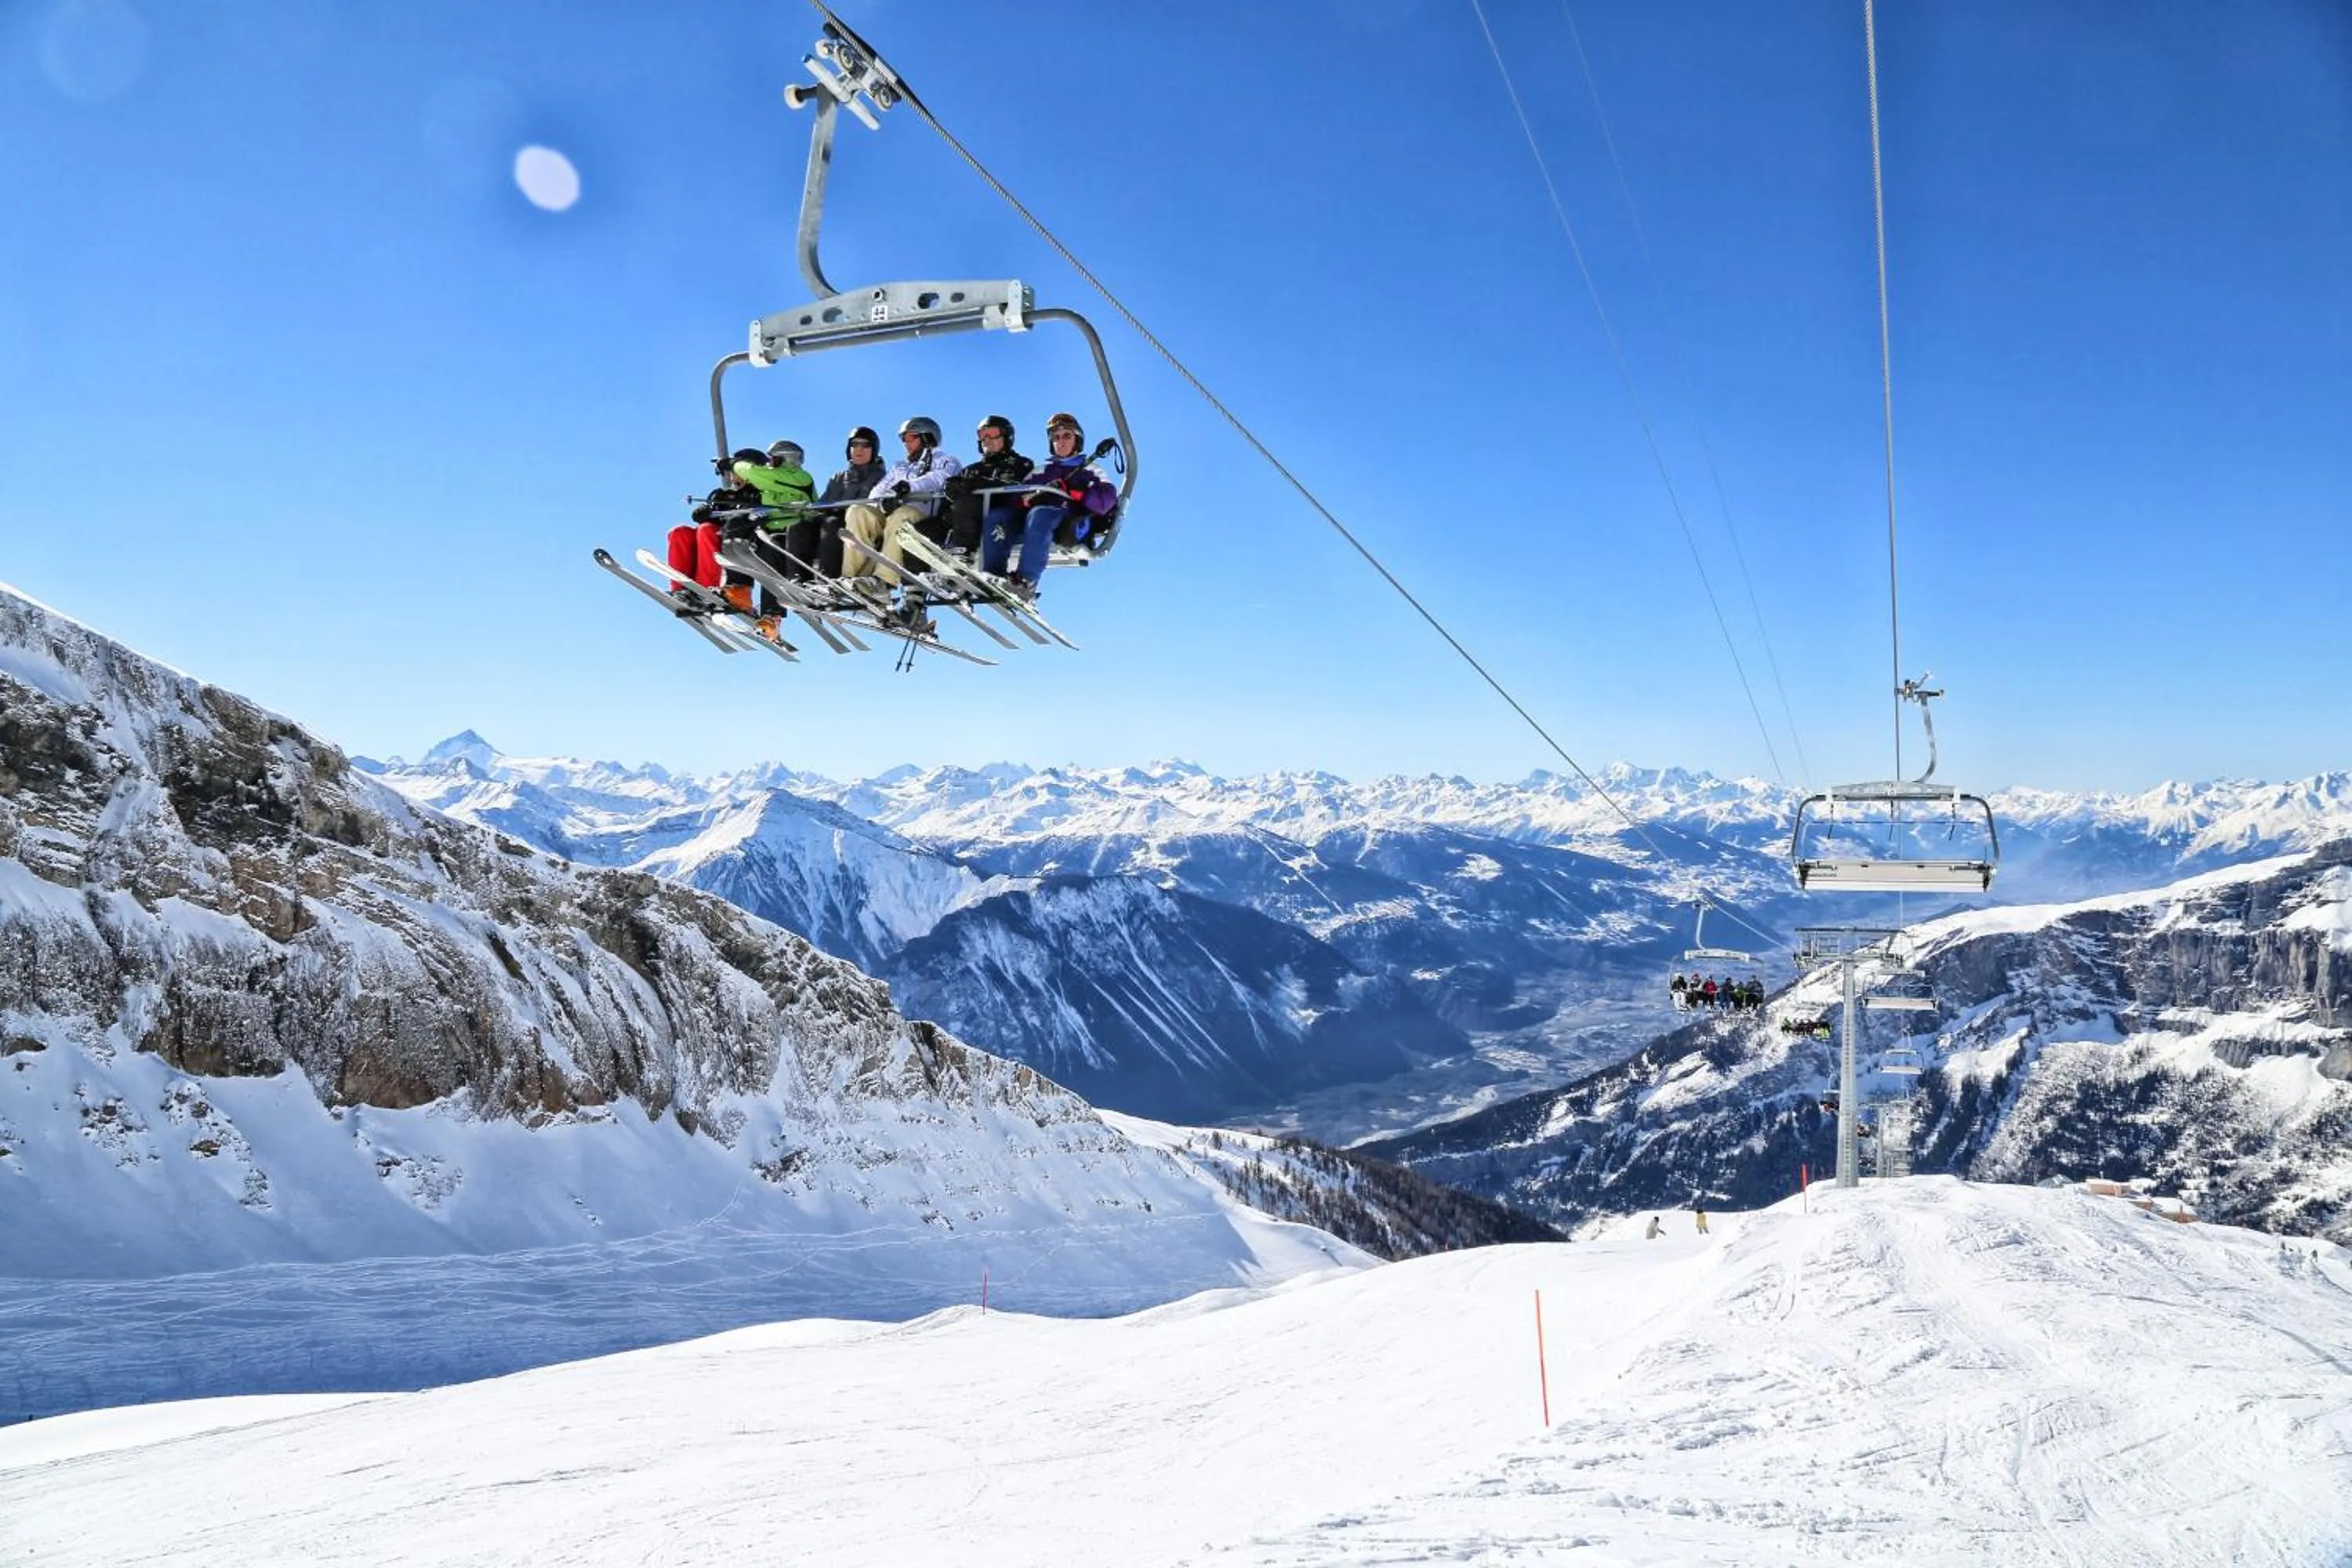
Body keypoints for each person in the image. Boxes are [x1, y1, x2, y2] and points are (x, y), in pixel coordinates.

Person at [977, 411, 1116, 603]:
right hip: (1034, 522)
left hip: (1070, 522)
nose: (1061, 441)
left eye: (1066, 436)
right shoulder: (1040, 472)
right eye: (1056, 437)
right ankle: (994, 574)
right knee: (998, 516)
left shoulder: (1091, 470)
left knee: (1040, 514)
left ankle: (1026, 581)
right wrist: (1026, 500)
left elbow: (1105, 501)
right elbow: (1016, 498)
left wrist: (1073, 492)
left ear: (1077, 440)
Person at [842, 417, 963, 624]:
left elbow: (938, 479)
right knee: (858, 512)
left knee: (900, 516)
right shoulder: (900, 466)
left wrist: (908, 488)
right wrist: (884, 501)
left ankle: (884, 582)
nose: (906, 442)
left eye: (911, 437)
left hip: (922, 514)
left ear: (927, 438)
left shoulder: (946, 461)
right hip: (893, 513)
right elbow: (878, 491)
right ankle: (852, 580)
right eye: (904, 438)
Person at [725, 441, 818, 641]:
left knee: (771, 550)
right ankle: (739, 588)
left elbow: (756, 474)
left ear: (786, 459)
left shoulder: (799, 477)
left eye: (773, 459)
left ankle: (772, 615)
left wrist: (735, 464)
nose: (769, 463)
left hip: (797, 537)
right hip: (771, 534)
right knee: (739, 535)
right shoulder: (770, 485)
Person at [669, 448, 768, 611]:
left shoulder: (761, 495)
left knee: (706, 530)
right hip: (713, 537)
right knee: (679, 533)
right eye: (733, 473)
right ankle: (680, 588)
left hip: (738, 541)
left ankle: (705, 588)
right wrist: (704, 513)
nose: (735, 477)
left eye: (738, 472)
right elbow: (711, 517)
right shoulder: (724, 496)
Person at [793, 426, 885, 582]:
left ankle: (827, 579)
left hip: (855, 526)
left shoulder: (880, 478)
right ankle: (798, 579)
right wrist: (807, 511)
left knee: (832, 523)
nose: (859, 449)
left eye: (865, 445)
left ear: (873, 450)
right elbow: (822, 504)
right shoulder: (838, 477)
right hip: (830, 520)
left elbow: (874, 508)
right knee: (799, 526)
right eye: (854, 445)